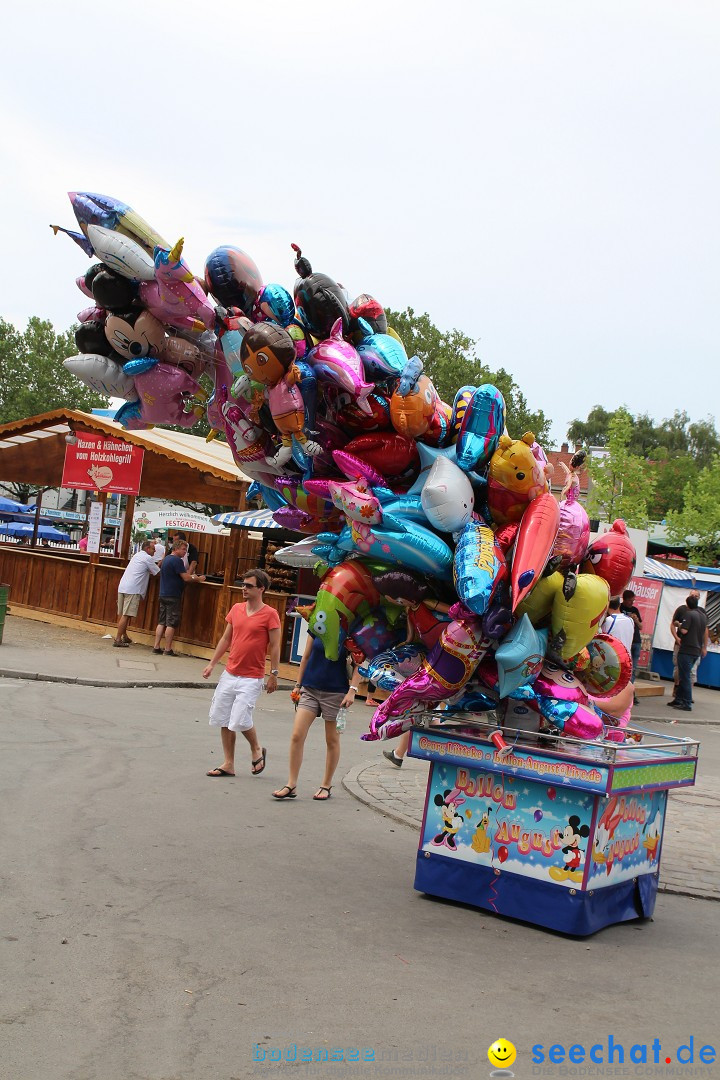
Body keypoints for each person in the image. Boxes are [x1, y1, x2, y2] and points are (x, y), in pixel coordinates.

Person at [203, 569, 280, 778]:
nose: (243, 589)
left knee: (240, 718)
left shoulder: (270, 614)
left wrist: (273, 673)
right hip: (230, 672)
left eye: (248, 586)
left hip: (252, 676)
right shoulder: (236, 609)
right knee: (224, 718)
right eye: (243, 585)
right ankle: (228, 763)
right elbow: (226, 639)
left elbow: (274, 646)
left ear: (261, 588)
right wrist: (212, 664)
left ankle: (256, 748)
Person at [272, 633, 361, 801]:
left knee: (332, 740)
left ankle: (326, 785)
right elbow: (306, 657)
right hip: (310, 688)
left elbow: (360, 665)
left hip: (336, 692)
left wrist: (352, 691)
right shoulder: (318, 625)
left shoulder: (350, 630)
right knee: (297, 735)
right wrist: (298, 685)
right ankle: (291, 784)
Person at [152, 540, 206, 655]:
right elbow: (186, 578)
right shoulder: (177, 561)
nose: (185, 552)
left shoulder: (166, 559)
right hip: (173, 595)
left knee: (161, 622)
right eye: (183, 549)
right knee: (171, 623)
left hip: (163, 593)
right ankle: (167, 649)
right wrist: (197, 578)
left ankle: (156, 646)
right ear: (175, 549)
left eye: (186, 550)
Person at [114, 539, 161, 647]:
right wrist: (160, 563)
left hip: (123, 586)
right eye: (153, 549)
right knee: (126, 615)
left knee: (122, 614)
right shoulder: (147, 558)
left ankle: (124, 636)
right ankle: (117, 639)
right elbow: (158, 573)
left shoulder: (137, 555)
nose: (154, 552)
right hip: (133, 589)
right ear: (147, 549)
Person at [670, 594, 709, 712]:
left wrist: (679, 625)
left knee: (684, 676)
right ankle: (679, 699)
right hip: (696, 649)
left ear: (687, 604)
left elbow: (684, 630)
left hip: (686, 648)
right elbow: (705, 631)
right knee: (685, 675)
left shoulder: (689, 614)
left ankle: (686, 702)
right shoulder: (703, 616)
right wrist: (704, 647)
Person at [620, 589, 643, 683]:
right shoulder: (620, 608)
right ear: (624, 599)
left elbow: (641, 626)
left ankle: (630, 689)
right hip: (625, 640)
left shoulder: (635, 610)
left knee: (633, 668)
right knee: (623, 666)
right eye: (630, 600)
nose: (632, 603)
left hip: (636, 641)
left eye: (633, 600)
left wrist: (636, 620)